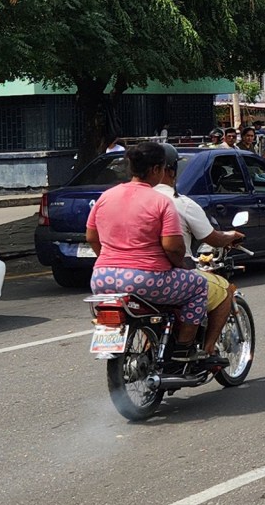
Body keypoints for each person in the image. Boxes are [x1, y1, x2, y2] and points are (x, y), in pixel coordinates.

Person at [84, 141, 216, 355]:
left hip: (102, 278)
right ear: (156, 169)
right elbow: (172, 248)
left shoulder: (106, 197)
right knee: (199, 285)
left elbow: (91, 236)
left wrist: (109, 259)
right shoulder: (161, 202)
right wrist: (179, 266)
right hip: (146, 280)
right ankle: (183, 350)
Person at [150, 143, 243, 356]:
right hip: (162, 275)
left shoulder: (122, 200)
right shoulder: (177, 204)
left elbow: (93, 237)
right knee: (222, 290)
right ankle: (201, 349)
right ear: (169, 170)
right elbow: (204, 240)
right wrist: (229, 237)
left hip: (112, 276)